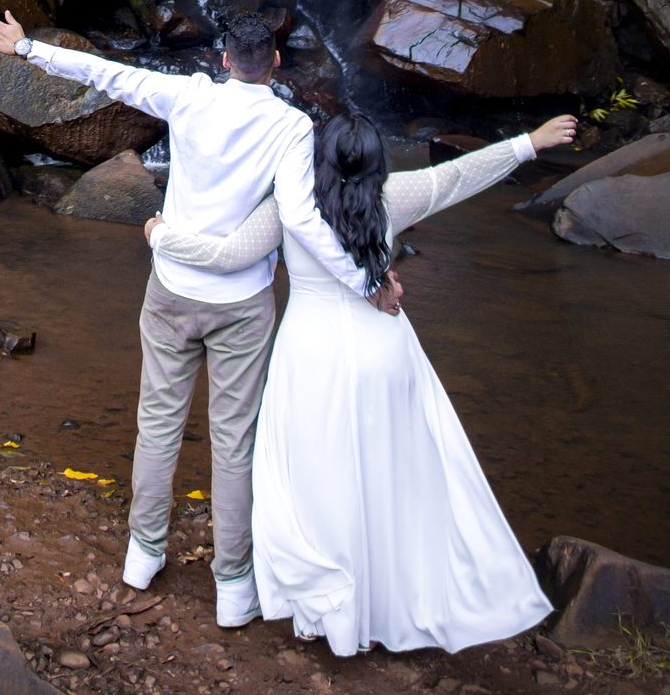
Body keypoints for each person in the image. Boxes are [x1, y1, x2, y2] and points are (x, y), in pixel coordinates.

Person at [0, 8, 399, 630]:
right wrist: (366, 281)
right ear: (274, 62)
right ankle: (231, 586)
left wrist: (27, 45)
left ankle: (142, 556)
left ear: (223, 59)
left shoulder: (186, 96)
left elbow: (106, 74)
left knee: (158, 426)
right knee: (233, 443)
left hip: (171, 290)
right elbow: (303, 219)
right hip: (242, 306)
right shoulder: (291, 126)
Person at [145, 109, 578, 655]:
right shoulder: (394, 196)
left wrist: (162, 234)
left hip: (312, 355)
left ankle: (328, 612)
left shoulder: (291, 204)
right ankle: (383, 602)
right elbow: (462, 175)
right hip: (384, 352)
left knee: (318, 482)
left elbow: (229, 255)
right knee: (387, 478)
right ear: (378, 163)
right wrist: (529, 143)